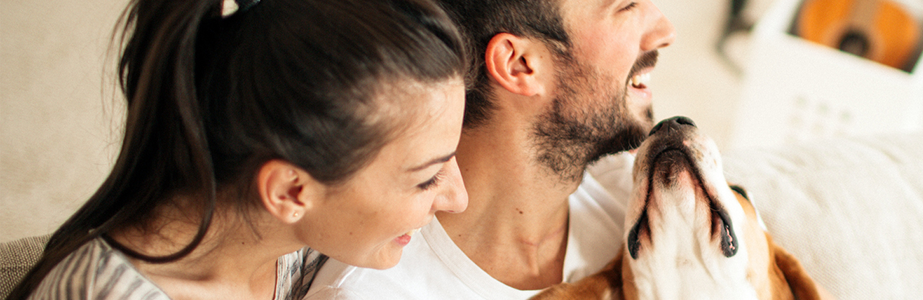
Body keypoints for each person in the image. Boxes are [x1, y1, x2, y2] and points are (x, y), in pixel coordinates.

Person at [7, 0, 470, 298]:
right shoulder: (106, 294)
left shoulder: (293, 247)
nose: (456, 196)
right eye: (426, 177)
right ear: (290, 191)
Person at [305, 0, 676, 298]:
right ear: (520, 65)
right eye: (625, 6)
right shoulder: (372, 292)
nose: (666, 31)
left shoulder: (642, 198)